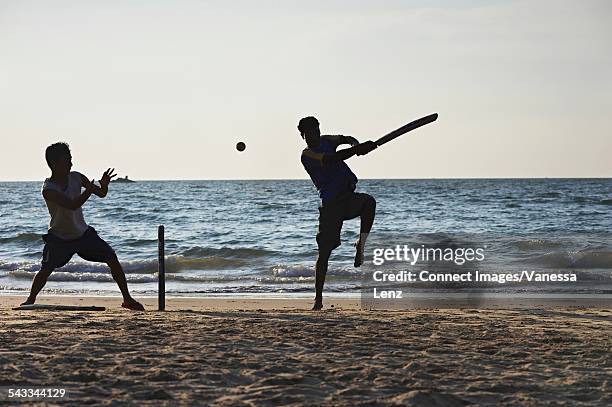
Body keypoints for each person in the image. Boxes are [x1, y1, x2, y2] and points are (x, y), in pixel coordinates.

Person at [21, 142, 144, 311]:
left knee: (112, 258)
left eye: (71, 159)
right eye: (67, 160)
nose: (71, 163)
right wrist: (88, 191)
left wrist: (104, 185)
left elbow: (101, 193)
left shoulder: (76, 177)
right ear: (54, 164)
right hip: (59, 237)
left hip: (83, 234)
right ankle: (30, 300)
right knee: (46, 269)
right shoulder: (48, 189)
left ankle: (128, 299)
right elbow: (71, 205)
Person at [299, 116, 378, 310]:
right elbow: (332, 158)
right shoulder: (307, 154)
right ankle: (318, 299)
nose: (314, 136)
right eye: (309, 133)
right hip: (331, 206)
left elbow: (346, 139)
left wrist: (357, 145)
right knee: (324, 253)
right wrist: (355, 150)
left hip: (347, 198)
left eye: (316, 131)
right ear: (303, 135)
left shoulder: (327, 140)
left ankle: (361, 243)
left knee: (369, 202)